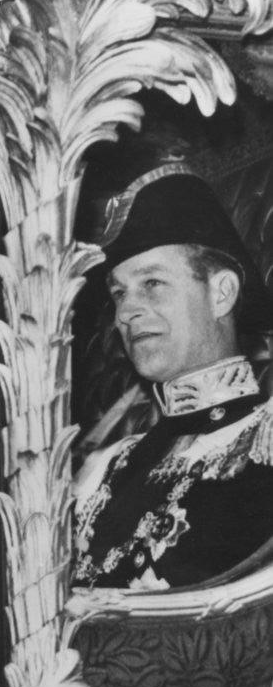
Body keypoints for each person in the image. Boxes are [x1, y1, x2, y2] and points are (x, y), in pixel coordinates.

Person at [74, 164, 273, 590]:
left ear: (221, 293)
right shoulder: (105, 467)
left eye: (152, 283)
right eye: (119, 293)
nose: (126, 312)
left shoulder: (267, 436)